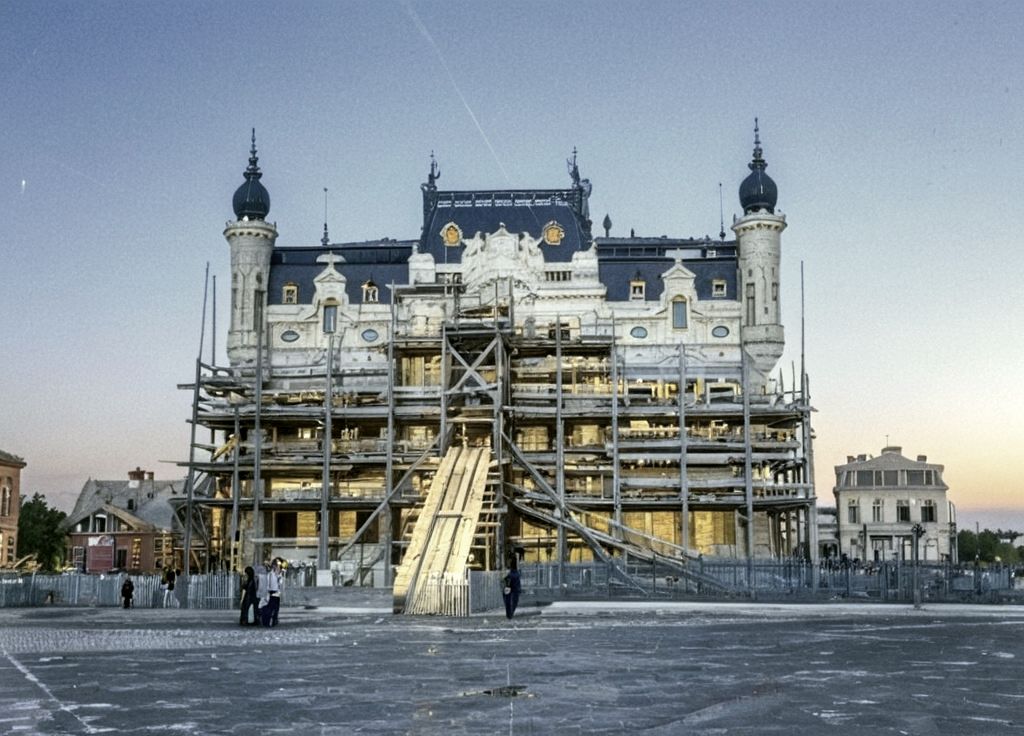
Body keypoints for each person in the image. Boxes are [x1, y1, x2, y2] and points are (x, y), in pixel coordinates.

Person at [261, 558, 283, 627]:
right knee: (271, 608)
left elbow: (280, 584)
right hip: (271, 592)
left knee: (276, 608)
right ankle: (269, 621)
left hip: (277, 592)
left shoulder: (279, 575)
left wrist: (279, 577)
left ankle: (274, 620)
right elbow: (268, 584)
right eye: (277, 566)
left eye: (279, 566)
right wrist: (267, 591)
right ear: (274, 566)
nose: (278, 568)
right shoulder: (270, 574)